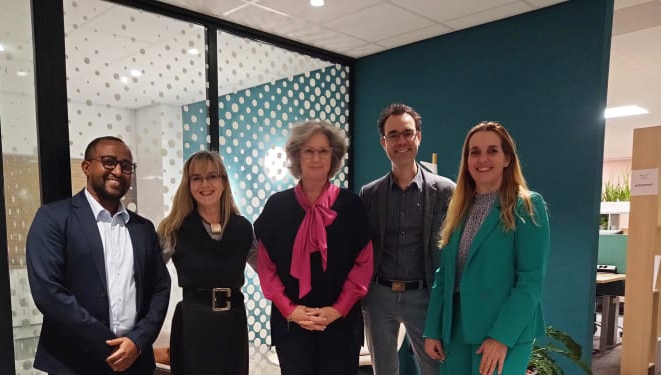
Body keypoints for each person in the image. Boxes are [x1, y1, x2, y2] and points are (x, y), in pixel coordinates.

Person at [26, 136, 171, 375]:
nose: (118, 171)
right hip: (73, 362)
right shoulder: (53, 218)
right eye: (108, 162)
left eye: (126, 167)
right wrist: (107, 346)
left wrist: (137, 341)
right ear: (86, 167)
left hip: (135, 362)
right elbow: (49, 292)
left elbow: (160, 288)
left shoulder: (143, 228)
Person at [423, 121, 550, 375]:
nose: (482, 159)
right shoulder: (460, 207)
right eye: (474, 152)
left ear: (507, 159)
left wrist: (501, 337)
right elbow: (444, 276)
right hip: (455, 329)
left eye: (492, 150)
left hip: (501, 330)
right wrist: (433, 328)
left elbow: (530, 281)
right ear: (467, 160)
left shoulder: (526, 205)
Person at [255, 121, 374, 375]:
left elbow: (363, 265)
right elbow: (266, 268)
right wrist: (290, 310)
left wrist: (338, 309)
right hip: (293, 324)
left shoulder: (352, 206)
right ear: (297, 155)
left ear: (334, 156)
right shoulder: (277, 207)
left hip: (341, 324)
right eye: (309, 151)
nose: (316, 158)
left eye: (324, 151)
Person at [359, 103, 455, 375]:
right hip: (379, 296)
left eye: (407, 133)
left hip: (424, 296)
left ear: (418, 137)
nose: (401, 141)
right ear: (383, 142)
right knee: (384, 371)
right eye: (393, 135)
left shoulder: (445, 190)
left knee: (435, 369)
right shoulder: (370, 194)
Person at [156, 151, 256, 375]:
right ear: (188, 184)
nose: (205, 184)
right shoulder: (172, 228)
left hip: (233, 322)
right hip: (194, 324)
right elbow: (149, 277)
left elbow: (268, 272)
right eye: (196, 178)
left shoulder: (243, 228)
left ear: (223, 181)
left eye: (212, 176)